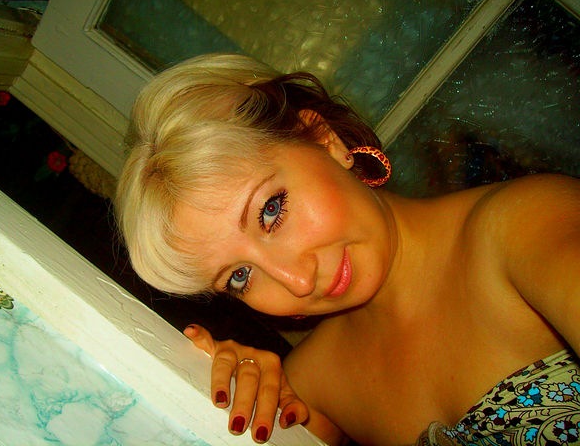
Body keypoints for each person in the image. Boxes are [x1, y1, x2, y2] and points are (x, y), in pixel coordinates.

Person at [115, 53, 580, 445]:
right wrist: (212, 397)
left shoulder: (526, 226)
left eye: (271, 211)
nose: (298, 281)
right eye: (240, 276)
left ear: (325, 140)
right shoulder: (311, 387)